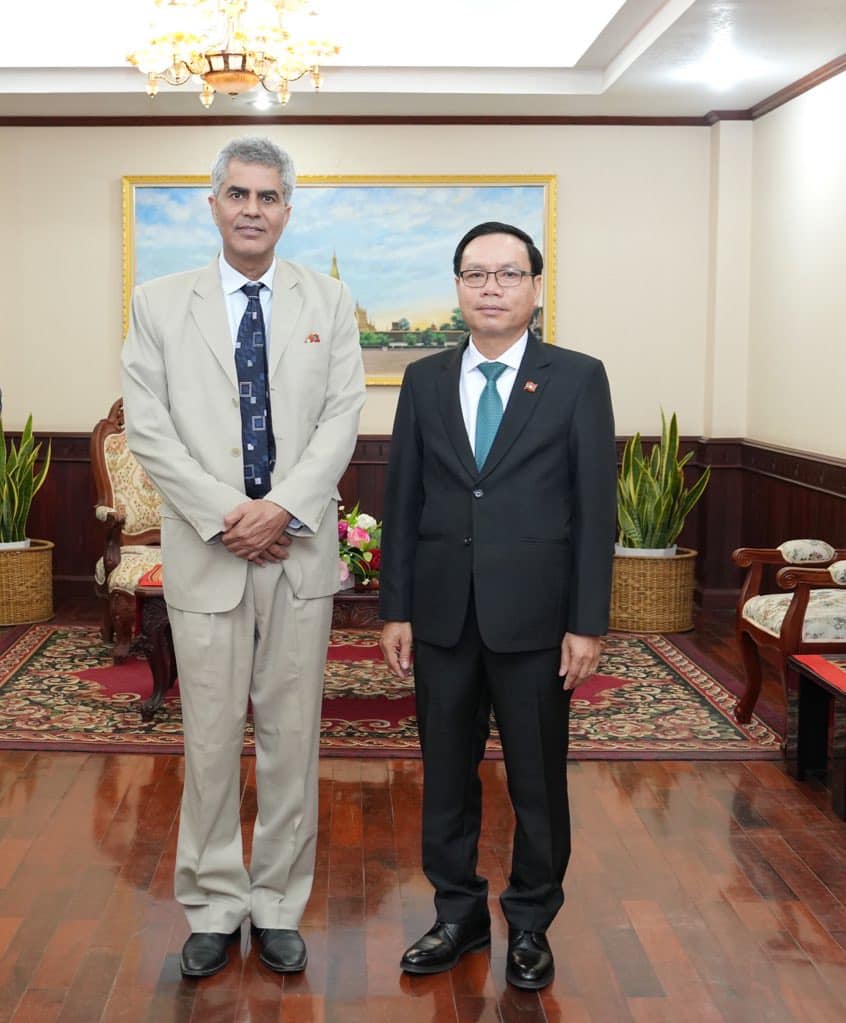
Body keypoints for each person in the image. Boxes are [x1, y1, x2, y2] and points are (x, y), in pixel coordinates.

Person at [121, 136, 366, 978]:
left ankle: (277, 901)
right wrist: (228, 514)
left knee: (292, 737)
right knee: (211, 736)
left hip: (295, 556)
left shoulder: (327, 301)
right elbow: (147, 427)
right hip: (208, 552)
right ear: (214, 203)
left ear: (288, 209)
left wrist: (283, 509)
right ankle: (214, 902)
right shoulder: (159, 303)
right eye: (238, 194)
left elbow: (342, 418)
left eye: (269, 196)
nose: (253, 208)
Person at [378, 222, 616, 991]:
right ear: (457, 287)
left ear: (535, 289)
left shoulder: (577, 377)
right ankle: (458, 913)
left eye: (508, 274)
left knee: (536, 779)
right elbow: (405, 499)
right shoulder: (423, 381)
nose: (491, 288)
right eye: (476, 274)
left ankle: (531, 922)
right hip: (442, 617)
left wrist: (586, 621)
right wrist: (396, 608)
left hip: (539, 622)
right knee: (444, 773)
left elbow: (595, 511)